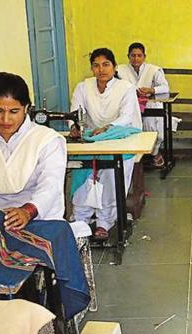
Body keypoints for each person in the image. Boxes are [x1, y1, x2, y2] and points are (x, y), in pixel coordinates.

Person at [0, 72, 66, 230]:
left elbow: (51, 185)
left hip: (39, 220)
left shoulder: (46, 140)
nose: (5, 120)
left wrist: (28, 211)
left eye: (14, 111)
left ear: (26, 108)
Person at [70, 48, 140, 239]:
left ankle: (104, 221)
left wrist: (108, 128)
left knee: (111, 173)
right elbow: (76, 112)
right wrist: (75, 126)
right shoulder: (83, 87)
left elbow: (127, 117)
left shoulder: (125, 88)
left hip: (119, 137)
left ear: (114, 66)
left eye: (106, 64)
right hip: (91, 139)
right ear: (92, 68)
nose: (101, 69)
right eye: (96, 65)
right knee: (82, 171)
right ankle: (80, 219)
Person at [117, 42, 170, 167]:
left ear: (144, 56)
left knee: (153, 125)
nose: (136, 59)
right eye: (133, 55)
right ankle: (133, 155)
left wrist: (152, 90)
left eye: (139, 55)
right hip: (128, 106)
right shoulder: (120, 70)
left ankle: (153, 152)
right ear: (128, 56)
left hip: (150, 105)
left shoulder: (153, 69)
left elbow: (165, 88)